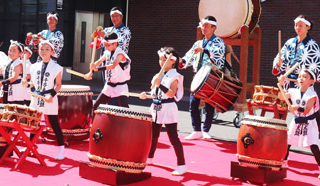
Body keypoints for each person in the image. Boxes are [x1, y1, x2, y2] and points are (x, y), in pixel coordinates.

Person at [273, 14, 320, 160]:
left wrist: (301, 79)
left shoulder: (312, 45)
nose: (298, 28)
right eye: (296, 25)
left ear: (308, 27)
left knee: (313, 116)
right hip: (289, 84)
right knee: (282, 114)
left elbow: (313, 68)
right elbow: (278, 63)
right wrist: (279, 65)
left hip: (304, 85)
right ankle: (280, 149)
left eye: (301, 25)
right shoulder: (289, 43)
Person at [140, 47, 186, 176]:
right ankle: (150, 158)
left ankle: (182, 165)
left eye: (164, 60)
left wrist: (159, 84)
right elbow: (156, 93)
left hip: (168, 108)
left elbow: (171, 94)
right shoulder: (158, 75)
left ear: (172, 61)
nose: (161, 62)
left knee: (173, 138)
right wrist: (147, 95)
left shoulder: (175, 76)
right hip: (156, 107)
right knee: (153, 135)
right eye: (160, 59)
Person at [181, 16, 226, 140]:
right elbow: (190, 55)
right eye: (202, 25)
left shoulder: (218, 42)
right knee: (193, 104)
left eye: (206, 25)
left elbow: (217, 55)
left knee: (209, 104)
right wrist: (182, 61)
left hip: (211, 76)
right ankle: (196, 130)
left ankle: (206, 130)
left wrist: (204, 50)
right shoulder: (198, 43)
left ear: (214, 28)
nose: (203, 28)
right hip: (198, 76)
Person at [279, 68, 320, 180]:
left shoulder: (312, 94)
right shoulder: (293, 91)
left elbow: (306, 110)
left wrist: (296, 107)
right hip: (296, 120)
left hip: (309, 122)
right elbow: (281, 97)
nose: (301, 78)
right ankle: (284, 162)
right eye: (300, 76)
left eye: (304, 77)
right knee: (287, 142)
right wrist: (281, 85)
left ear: (311, 81)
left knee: (313, 146)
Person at [23, 40, 65, 160]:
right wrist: (26, 83)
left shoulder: (56, 67)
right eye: (42, 49)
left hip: (49, 97)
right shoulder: (34, 66)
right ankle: (31, 146)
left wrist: (51, 95)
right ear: (38, 51)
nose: (44, 51)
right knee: (33, 122)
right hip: (36, 97)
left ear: (52, 51)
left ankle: (61, 149)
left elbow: (58, 85)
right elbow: (33, 83)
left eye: (47, 49)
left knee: (53, 123)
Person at [85, 32, 131, 110]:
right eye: (105, 45)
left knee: (124, 110)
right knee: (95, 107)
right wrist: (91, 71)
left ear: (115, 43)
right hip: (109, 86)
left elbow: (112, 65)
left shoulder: (120, 54)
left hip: (121, 87)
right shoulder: (107, 53)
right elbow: (98, 62)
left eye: (108, 45)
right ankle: (92, 122)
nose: (106, 47)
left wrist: (97, 69)